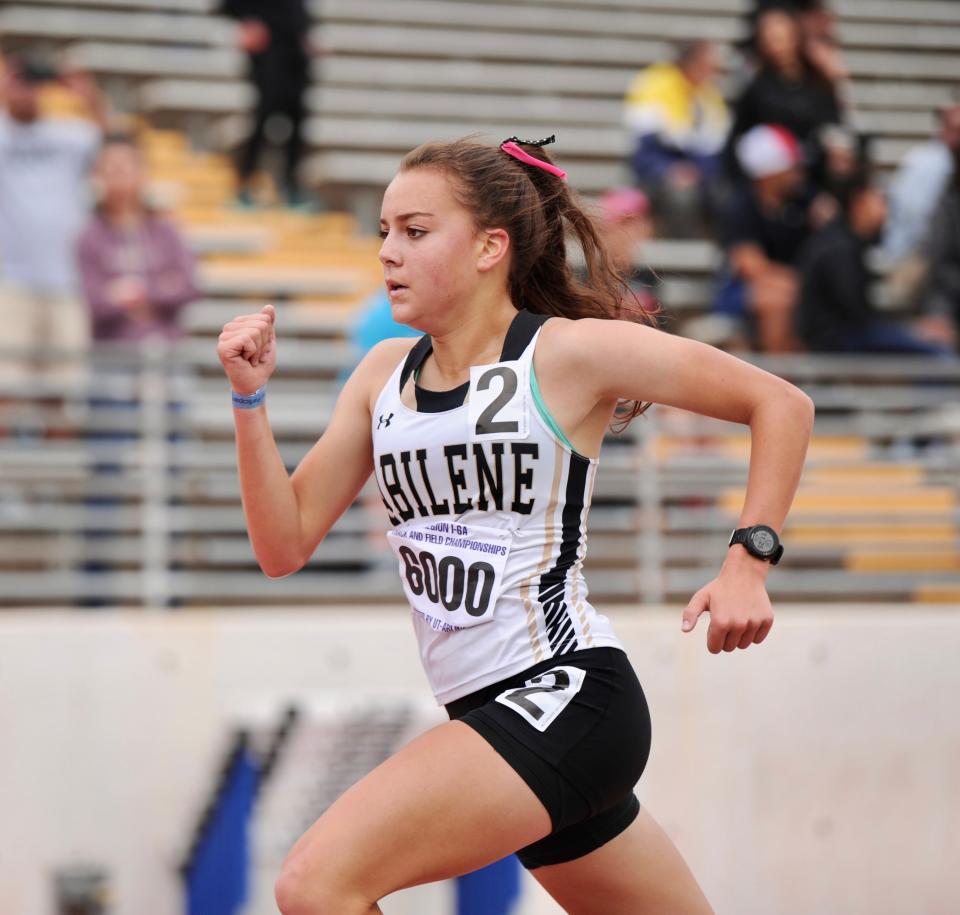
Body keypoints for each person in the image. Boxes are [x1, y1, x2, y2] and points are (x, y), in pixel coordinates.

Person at [216, 135, 813, 914]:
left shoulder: (567, 354)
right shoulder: (380, 377)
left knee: (316, 883)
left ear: (490, 247)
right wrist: (249, 402)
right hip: (492, 714)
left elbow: (782, 403)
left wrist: (747, 561)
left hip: (563, 692)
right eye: (384, 232)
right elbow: (282, 544)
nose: (389, 252)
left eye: (416, 231)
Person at [0, 54, 106, 382]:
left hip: (67, 282)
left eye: (33, 83)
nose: (27, 91)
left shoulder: (68, 134)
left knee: (65, 389)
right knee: (7, 387)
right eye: (22, 82)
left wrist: (86, 93)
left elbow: (117, 147)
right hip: (10, 282)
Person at [797, 175, 949, 354]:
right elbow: (856, 313)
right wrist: (912, 330)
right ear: (858, 202)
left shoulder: (850, 243)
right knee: (938, 354)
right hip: (838, 339)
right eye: (879, 200)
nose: (885, 210)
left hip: (850, 333)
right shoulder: (837, 248)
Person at [76, 134, 199, 343]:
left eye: (126, 167)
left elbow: (188, 286)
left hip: (166, 348)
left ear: (142, 171)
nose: (120, 176)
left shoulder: (165, 231)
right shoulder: (90, 236)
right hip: (113, 354)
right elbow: (93, 302)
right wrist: (159, 288)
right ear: (99, 175)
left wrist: (136, 293)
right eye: (112, 169)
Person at [714, 124, 812, 352]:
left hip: (785, 284)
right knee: (779, 301)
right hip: (736, 290)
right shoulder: (741, 205)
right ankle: (779, 378)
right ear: (770, 172)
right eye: (791, 167)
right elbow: (751, 268)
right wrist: (804, 283)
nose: (797, 174)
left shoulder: (799, 204)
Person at [623, 40, 729, 236]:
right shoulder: (653, 86)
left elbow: (715, 151)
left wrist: (697, 172)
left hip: (699, 175)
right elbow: (643, 151)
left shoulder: (709, 93)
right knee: (681, 197)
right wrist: (670, 170)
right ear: (691, 63)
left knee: (726, 196)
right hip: (656, 175)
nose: (713, 72)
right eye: (708, 65)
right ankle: (681, 258)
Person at [725, 6, 843, 184]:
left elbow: (833, 125)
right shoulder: (757, 89)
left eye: (780, 38)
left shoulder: (818, 82)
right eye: (770, 40)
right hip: (772, 179)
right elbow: (739, 138)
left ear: (795, 37)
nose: (777, 46)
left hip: (815, 173)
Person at [220, 0, 313, 207]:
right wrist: (247, 21)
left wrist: (305, 32)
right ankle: (244, 182)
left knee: (297, 118)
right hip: (268, 49)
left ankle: (291, 187)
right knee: (264, 115)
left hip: (294, 49)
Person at [883, 103, 960, 309]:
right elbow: (914, 217)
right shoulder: (923, 162)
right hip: (918, 252)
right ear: (942, 129)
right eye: (954, 129)